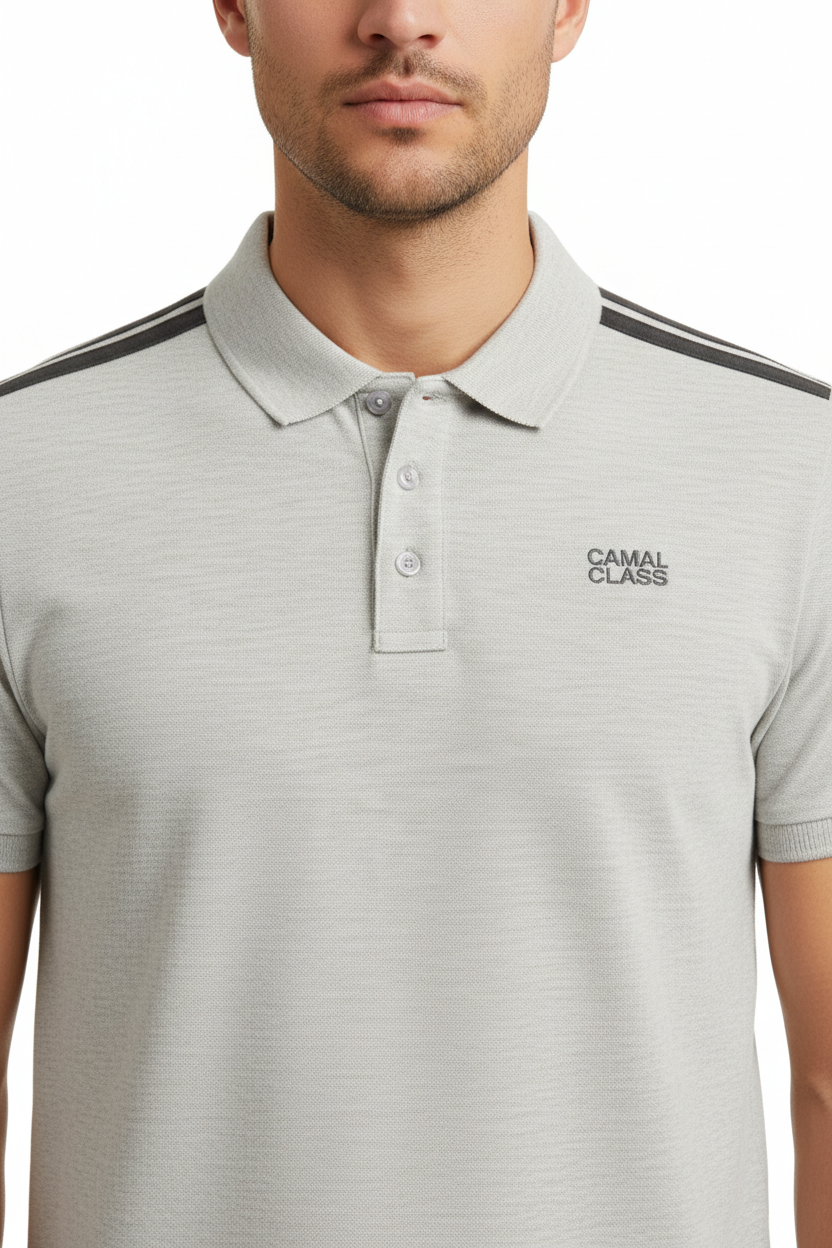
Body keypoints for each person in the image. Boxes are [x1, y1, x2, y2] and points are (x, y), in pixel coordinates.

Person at [1, 0, 830, 1244]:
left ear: (567, 7)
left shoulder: (793, 473)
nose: (400, 20)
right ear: (232, 7)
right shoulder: (25, 477)